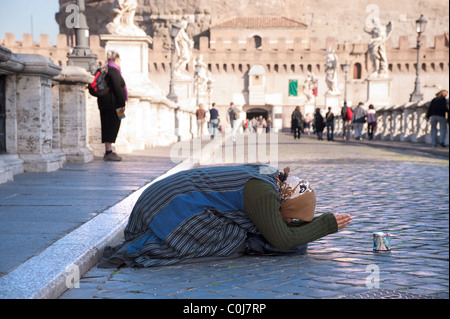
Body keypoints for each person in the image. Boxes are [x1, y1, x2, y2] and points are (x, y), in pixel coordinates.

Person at [98, 165, 352, 268]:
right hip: (169, 206)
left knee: (256, 229)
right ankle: (142, 245)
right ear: (284, 205)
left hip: (158, 199)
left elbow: (281, 228)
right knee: (235, 237)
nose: (287, 221)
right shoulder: (264, 195)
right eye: (288, 218)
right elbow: (282, 239)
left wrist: (298, 226)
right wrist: (326, 224)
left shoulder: (271, 177)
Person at [97, 50, 128, 161]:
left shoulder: (107, 70)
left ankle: (109, 150)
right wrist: (122, 104)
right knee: (112, 125)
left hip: (107, 104)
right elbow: (118, 89)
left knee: (111, 125)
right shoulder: (114, 71)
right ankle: (108, 152)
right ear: (117, 59)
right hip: (114, 105)